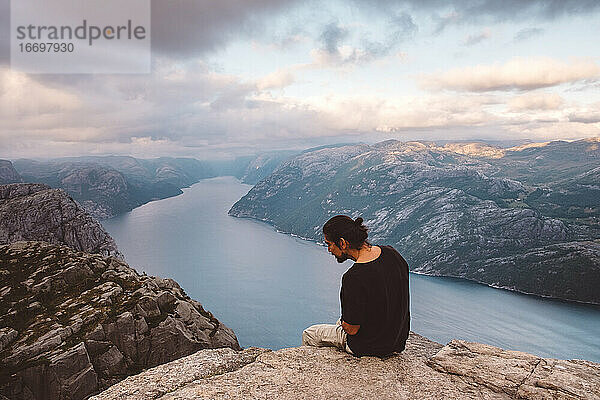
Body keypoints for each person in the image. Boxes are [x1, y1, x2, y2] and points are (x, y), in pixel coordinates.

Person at [302, 215, 410, 357]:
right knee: (339, 323)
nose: (329, 250)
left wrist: (344, 323)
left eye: (329, 244)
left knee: (310, 334)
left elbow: (351, 329)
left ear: (342, 243)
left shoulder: (354, 278)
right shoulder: (392, 254)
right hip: (396, 342)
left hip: (368, 346)